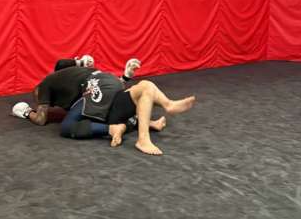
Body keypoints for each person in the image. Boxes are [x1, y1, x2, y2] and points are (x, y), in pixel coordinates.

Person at [14, 57, 195, 156]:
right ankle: (163, 108)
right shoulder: (69, 73)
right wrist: (125, 77)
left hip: (94, 87)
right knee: (144, 87)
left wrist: (27, 112)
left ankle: (136, 137)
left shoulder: (44, 85)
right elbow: (109, 90)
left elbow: (41, 119)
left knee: (67, 126)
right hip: (109, 81)